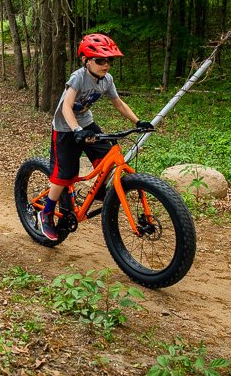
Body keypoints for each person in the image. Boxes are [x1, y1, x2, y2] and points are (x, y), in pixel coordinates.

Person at [40, 33, 154, 241]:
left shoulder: (107, 80)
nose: (106, 65)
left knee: (107, 157)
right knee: (65, 174)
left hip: (86, 123)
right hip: (66, 128)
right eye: (100, 60)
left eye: (109, 60)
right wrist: (76, 131)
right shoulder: (78, 77)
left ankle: (99, 192)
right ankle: (46, 213)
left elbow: (118, 103)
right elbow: (66, 106)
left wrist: (138, 122)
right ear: (85, 60)